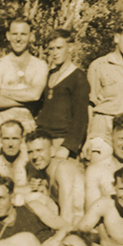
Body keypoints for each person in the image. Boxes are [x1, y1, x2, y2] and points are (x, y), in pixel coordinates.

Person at [0, 17, 48, 162]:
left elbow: (35, 95)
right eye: (15, 34)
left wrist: (3, 91)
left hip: (25, 122)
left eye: (23, 34)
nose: (18, 39)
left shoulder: (40, 65)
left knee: (24, 167)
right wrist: (26, 100)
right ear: (8, 36)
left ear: (31, 36)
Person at [84, 17, 123, 163]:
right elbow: (90, 104)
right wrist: (88, 137)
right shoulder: (99, 65)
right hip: (103, 126)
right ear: (117, 38)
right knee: (98, 171)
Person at [0, 175, 66, 246]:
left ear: (12, 198)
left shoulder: (33, 208)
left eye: (1, 198)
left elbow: (66, 227)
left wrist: (50, 245)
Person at [35, 30, 89, 160]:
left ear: (70, 47)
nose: (55, 53)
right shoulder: (48, 75)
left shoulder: (78, 77)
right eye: (51, 49)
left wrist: (67, 147)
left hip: (62, 141)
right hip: (43, 140)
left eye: (59, 48)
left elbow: (80, 118)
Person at [23, 128, 86, 225]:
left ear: (52, 151)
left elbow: (67, 211)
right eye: (30, 152)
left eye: (39, 150)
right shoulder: (45, 170)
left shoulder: (63, 168)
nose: (35, 156)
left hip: (80, 220)